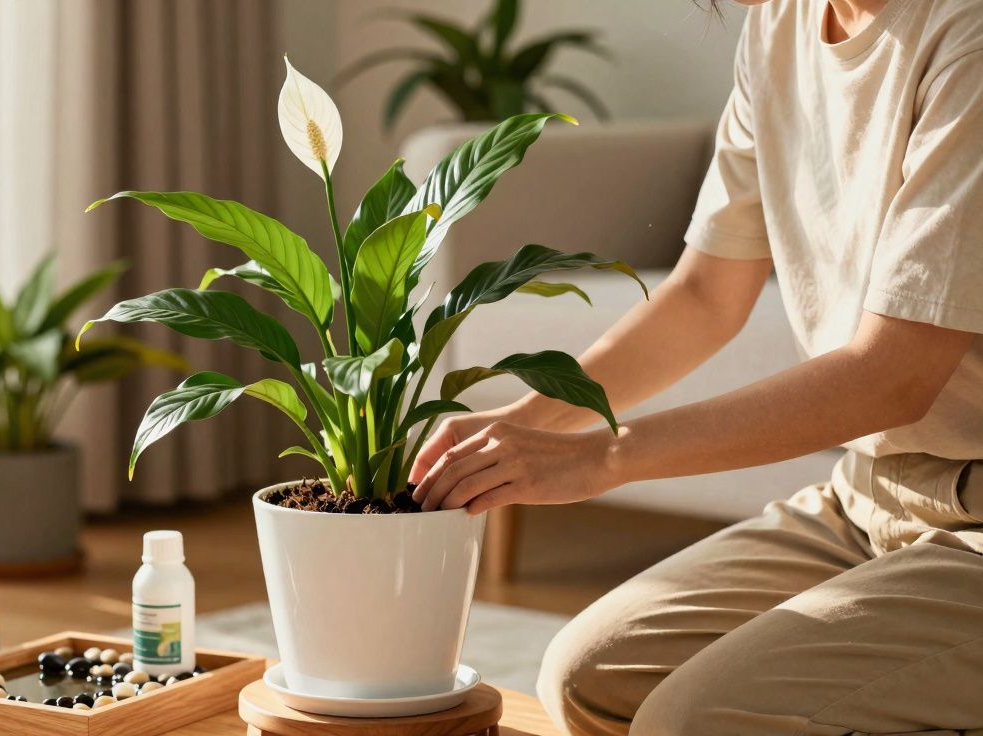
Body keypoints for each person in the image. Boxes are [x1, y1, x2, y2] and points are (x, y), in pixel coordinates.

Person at [408, 0, 983, 733]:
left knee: (694, 720)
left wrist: (604, 457)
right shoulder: (780, 24)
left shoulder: (966, 35)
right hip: (868, 499)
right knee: (592, 677)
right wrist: (530, 420)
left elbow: (893, 376)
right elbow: (707, 294)